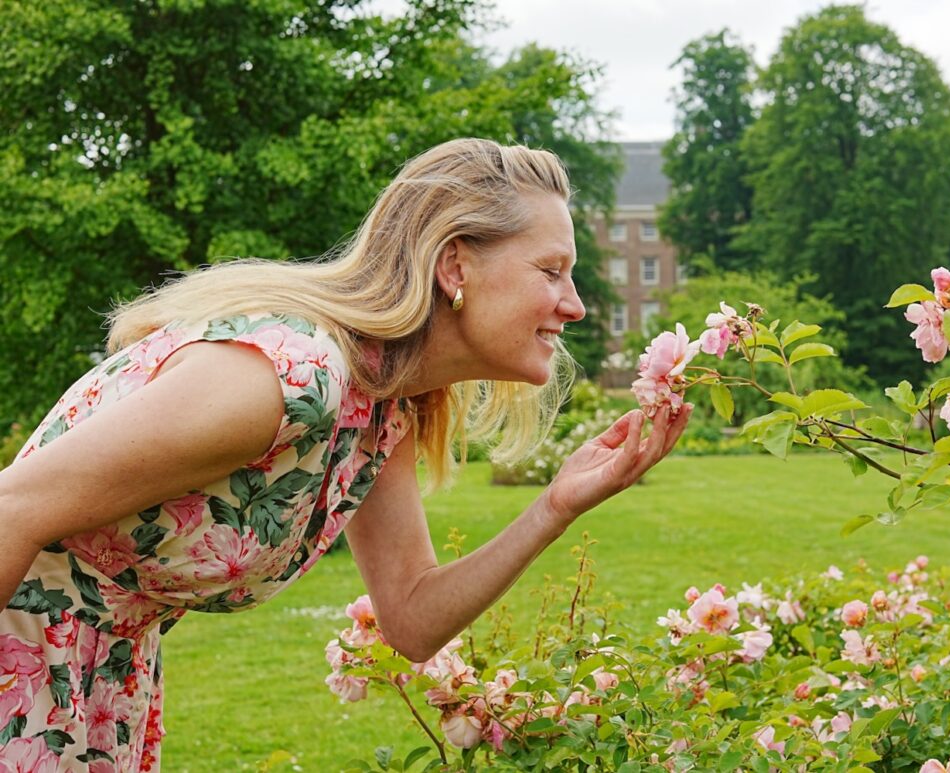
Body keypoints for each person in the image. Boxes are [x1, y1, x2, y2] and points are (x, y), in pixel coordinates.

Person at [0, 138, 692, 771]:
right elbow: (12, 507)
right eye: (552, 270)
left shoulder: (378, 410)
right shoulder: (291, 375)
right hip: (23, 657)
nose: (573, 304)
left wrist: (555, 505)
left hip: (95, 687)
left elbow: (412, 619)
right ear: (455, 264)